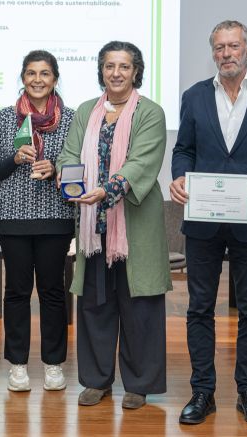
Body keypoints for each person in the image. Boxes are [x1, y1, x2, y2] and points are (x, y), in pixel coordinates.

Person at [170, 20, 247, 426]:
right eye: (220, 47)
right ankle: (203, 392)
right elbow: (184, 150)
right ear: (213, 52)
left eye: (234, 46)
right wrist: (177, 176)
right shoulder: (194, 96)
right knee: (199, 308)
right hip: (203, 222)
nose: (227, 53)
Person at [57, 41, 171, 410]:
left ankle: (139, 384)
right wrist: (71, 182)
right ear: (101, 70)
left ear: (136, 71)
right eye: (109, 66)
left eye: (124, 66)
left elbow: (142, 162)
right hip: (94, 227)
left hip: (134, 226)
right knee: (94, 304)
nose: (116, 73)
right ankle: (95, 380)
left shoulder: (150, 112)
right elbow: (70, 154)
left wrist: (108, 188)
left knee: (140, 306)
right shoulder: (86, 111)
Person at [0, 50, 75, 392]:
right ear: (22, 78)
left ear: (54, 78)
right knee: (17, 292)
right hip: (14, 219)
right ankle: (18, 365)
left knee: (53, 292)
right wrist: (15, 157)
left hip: (55, 217)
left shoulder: (70, 119)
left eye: (45, 73)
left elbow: (80, 167)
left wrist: (56, 169)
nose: (38, 79)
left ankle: (53, 364)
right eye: (31, 73)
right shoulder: (6, 118)